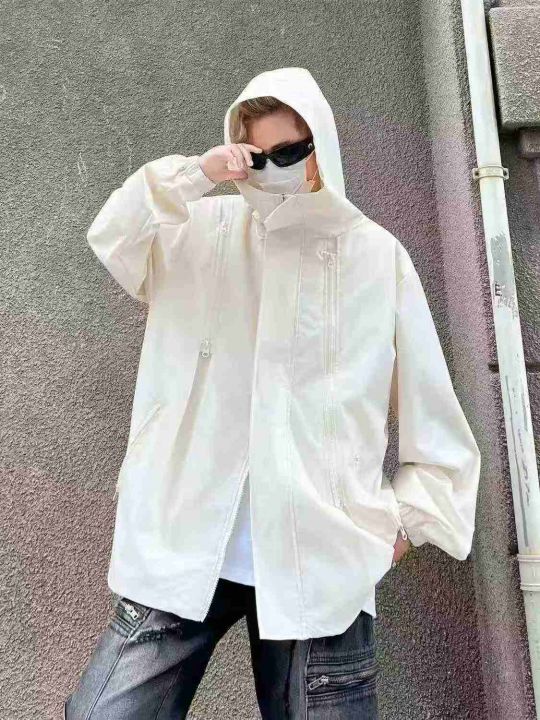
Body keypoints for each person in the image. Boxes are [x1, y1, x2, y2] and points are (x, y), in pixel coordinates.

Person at [63, 67, 481, 719]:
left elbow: (439, 433)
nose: (274, 169)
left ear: (322, 148)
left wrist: (390, 532)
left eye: (290, 152)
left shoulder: (375, 258)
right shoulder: (200, 232)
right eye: (257, 155)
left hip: (320, 566)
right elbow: (113, 235)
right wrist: (200, 173)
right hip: (185, 543)